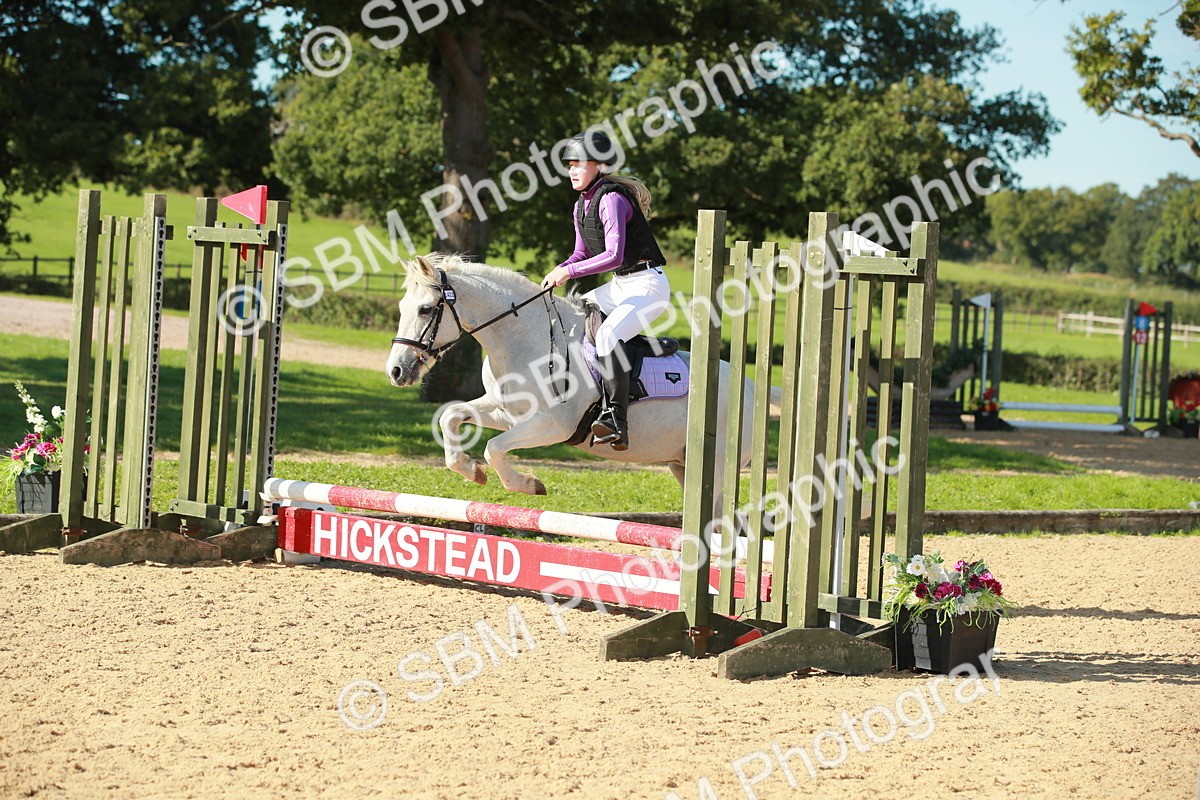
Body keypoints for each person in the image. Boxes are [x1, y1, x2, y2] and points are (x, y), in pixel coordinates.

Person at [541, 131, 670, 451]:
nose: (571, 170)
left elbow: (612, 256)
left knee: (609, 335)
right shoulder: (580, 206)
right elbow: (580, 255)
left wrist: (568, 272)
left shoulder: (612, 198)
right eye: (569, 165)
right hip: (620, 286)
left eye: (578, 164)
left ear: (598, 165)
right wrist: (556, 272)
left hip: (648, 285)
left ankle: (616, 419)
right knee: (568, 317)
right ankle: (638, 346)